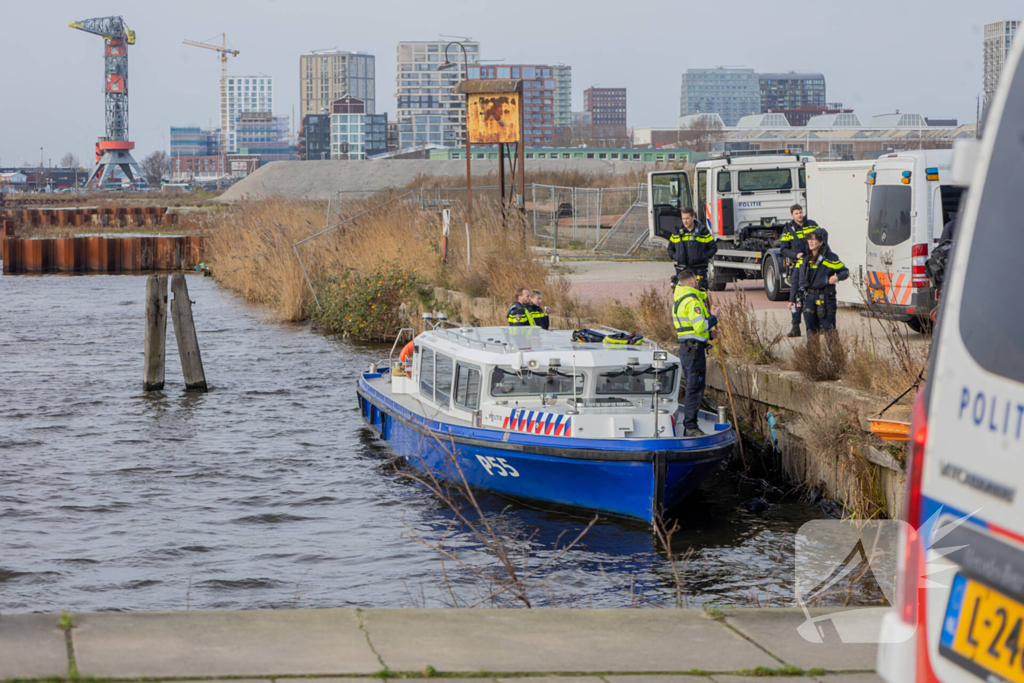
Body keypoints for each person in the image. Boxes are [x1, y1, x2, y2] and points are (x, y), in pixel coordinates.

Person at [671, 267, 720, 437]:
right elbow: (700, 325)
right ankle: (690, 427)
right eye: (696, 280)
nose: (698, 282)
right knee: (695, 388)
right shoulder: (692, 302)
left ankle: (690, 425)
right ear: (692, 281)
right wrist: (714, 317)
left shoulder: (679, 300)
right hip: (694, 354)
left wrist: (710, 335)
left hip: (688, 350)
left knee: (694, 387)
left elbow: (692, 330)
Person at [788, 228, 849, 335]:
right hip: (808, 299)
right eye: (809, 239)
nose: (810, 242)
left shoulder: (831, 258)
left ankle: (835, 352)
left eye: (813, 239)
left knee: (829, 332)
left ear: (821, 242)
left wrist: (836, 278)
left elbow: (845, 272)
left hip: (825, 300)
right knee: (811, 333)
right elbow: (795, 280)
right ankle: (813, 352)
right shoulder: (803, 259)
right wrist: (792, 299)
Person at [778, 204, 820, 338]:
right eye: (796, 213)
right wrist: (795, 255)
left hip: (813, 263)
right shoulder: (788, 230)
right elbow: (783, 249)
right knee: (797, 295)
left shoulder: (812, 224)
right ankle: (795, 325)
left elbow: (822, 239)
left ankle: (817, 326)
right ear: (792, 215)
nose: (800, 215)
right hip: (798, 263)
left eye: (801, 212)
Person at [668, 207, 717, 289]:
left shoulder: (702, 232)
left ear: (693, 217)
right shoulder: (677, 232)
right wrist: (675, 256)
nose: (685, 221)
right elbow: (670, 248)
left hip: (699, 270)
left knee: (701, 297)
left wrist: (704, 257)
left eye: (687, 218)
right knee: (682, 297)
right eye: (683, 218)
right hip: (682, 270)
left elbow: (713, 247)